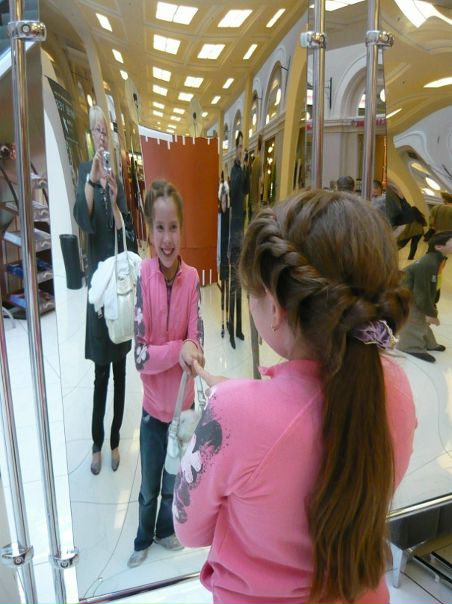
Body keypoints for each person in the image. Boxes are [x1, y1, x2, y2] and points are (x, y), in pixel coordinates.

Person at [173, 190, 417, 604]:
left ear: (276, 307)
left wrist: (234, 409)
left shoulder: (230, 412)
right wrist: (246, 402)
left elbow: (188, 529)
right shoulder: (395, 390)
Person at [128, 180, 204, 568]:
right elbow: (141, 357)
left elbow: (197, 345)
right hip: (152, 413)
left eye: (173, 227)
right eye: (160, 228)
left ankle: (164, 530)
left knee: (174, 483)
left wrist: (189, 349)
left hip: (183, 411)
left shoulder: (192, 279)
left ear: (181, 228)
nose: (167, 238)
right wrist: (177, 350)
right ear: (150, 230)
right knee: (148, 487)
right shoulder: (142, 276)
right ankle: (143, 536)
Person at [73, 105, 131, 475]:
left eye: (105, 131)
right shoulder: (86, 171)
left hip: (119, 292)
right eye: (96, 130)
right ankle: (96, 444)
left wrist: (114, 195)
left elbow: (124, 228)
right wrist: (93, 183)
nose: (101, 135)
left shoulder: (117, 178)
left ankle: (114, 440)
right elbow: (85, 221)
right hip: (99, 292)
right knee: (100, 375)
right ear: (90, 135)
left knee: (121, 374)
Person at [396, 230, 452, 363]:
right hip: (408, 295)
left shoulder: (437, 259)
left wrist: (431, 309)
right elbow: (422, 292)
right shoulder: (429, 263)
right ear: (439, 246)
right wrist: (431, 313)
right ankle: (410, 347)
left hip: (413, 293)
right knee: (414, 320)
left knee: (422, 320)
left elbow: (429, 287)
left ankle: (429, 343)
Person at [228, 130, 248, 349]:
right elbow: (234, 194)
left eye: (243, 146)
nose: (242, 150)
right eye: (239, 146)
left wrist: (246, 168)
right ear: (235, 149)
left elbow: (247, 190)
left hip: (242, 229)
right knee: (233, 284)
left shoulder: (242, 170)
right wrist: (238, 166)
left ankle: (239, 328)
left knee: (240, 282)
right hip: (233, 231)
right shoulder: (233, 171)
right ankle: (232, 328)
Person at [217, 175, 230, 338]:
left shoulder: (230, 217)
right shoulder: (219, 217)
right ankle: (222, 321)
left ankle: (227, 320)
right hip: (222, 261)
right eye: (222, 202)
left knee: (228, 291)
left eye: (226, 201)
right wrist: (218, 260)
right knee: (222, 293)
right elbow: (218, 241)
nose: (224, 204)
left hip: (229, 260)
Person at [248, 135, 263, 222]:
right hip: (256, 198)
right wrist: (259, 197)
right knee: (256, 219)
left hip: (251, 196)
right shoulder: (259, 162)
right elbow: (260, 181)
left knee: (252, 218)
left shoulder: (253, 163)